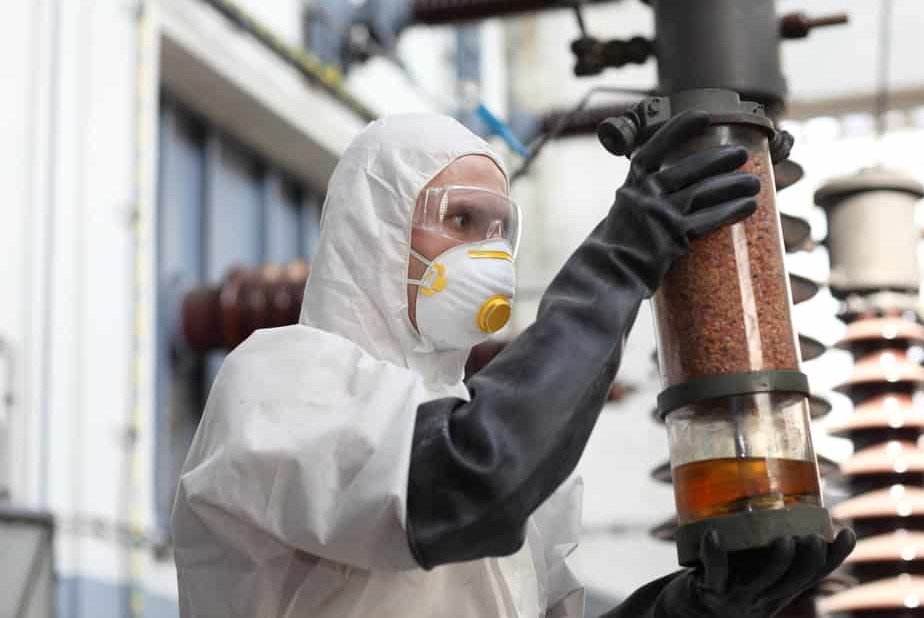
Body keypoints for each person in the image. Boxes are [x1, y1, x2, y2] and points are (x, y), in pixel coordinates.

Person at [171, 112, 853, 617]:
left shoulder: (496, 431)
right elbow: (473, 477)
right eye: (462, 220)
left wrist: (693, 607)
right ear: (375, 229)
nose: (489, 252)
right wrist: (619, 259)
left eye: (500, 229)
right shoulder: (281, 382)